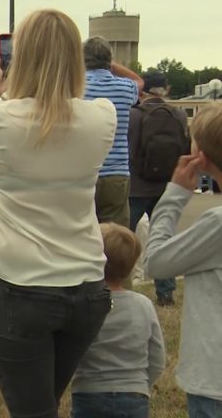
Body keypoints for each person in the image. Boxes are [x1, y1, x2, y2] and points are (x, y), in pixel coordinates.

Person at [0, 9, 116, 417]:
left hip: (20, 288)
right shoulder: (102, 116)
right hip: (86, 287)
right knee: (43, 403)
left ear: (19, 58)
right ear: (74, 58)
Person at [144, 103, 222, 417]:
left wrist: (175, 194)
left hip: (214, 382)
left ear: (200, 156)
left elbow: (157, 263)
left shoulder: (217, 226)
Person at [71, 223, 166, 418]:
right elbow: (157, 356)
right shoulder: (143, 305)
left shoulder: (82, 305)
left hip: (89, 392)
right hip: (134, 395)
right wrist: (141, 384)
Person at [128, 72, 189, 306]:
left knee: (124, 238)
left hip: (135, 186)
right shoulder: (179, 115)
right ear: (167, 89)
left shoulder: (132, 115)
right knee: (164, 236)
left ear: (142, 91)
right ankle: (166, 292)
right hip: (164, 185)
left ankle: (117, 285)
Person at [83, 36, 144, 226]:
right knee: (115, 234)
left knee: (83, 229)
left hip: (83, 171)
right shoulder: (125, 88)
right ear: (109, 60)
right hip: (117, 173)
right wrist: (112, 65)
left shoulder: (75, 87)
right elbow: (138, 80)